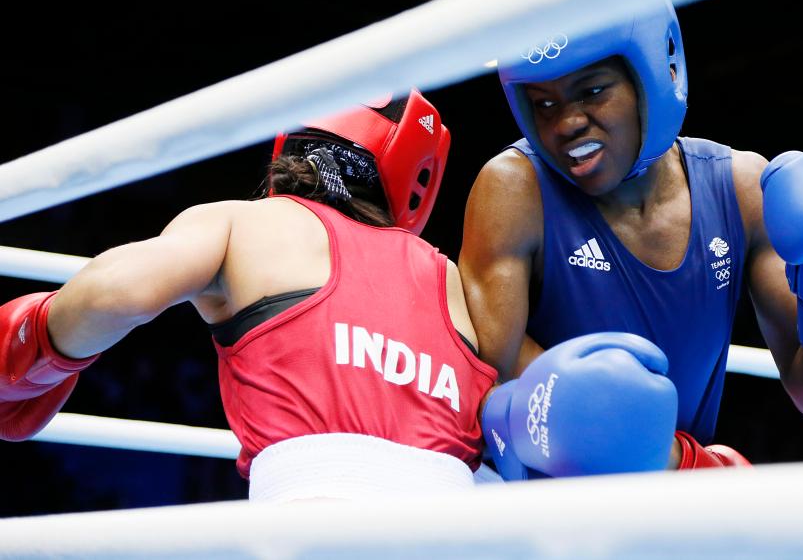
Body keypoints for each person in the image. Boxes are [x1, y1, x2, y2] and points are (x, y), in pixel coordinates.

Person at [460, 0, 803, 479]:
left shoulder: (741, 190)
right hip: (546, 507)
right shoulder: (515, 190)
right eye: (544, 104)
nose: (566, 123)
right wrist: (681, 463)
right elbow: (488, 382)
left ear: (655, 74)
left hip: (668, 508)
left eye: (593, 91)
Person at [0, 89, 499, 501]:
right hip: (458, 520)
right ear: (419, 173)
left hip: (312, 513)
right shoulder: (451, 280)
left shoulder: (245, 224)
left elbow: (114, 294)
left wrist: (27, 351)